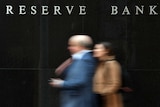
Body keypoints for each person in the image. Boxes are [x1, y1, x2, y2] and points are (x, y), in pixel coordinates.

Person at [49, 35, 98, 107]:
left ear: (81, 46)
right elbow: (60, 71)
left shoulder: (85, 60)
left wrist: (61, 84)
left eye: (72, 45)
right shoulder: (78, 58)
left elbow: (81, 81)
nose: (69, 48)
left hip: (79, 101)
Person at [93, 42, 123, 107]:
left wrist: (103, 92)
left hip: (109, 100)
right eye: (94, 48)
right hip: (101, 99)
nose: (94, 50)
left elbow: (115, 84)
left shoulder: (111, 63)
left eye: (97, 48)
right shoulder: (101, 63)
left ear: (106, 51)